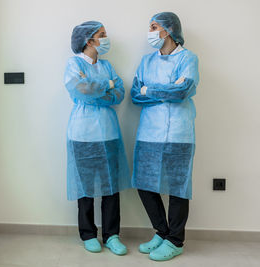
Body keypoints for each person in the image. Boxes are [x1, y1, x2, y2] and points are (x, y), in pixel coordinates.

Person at [130, 12, 199, 261]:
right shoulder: (146, 61)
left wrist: (152, 89)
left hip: (179, 132)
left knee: (178, 187)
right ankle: (162, 232)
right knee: (144, 183)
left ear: (168, 30)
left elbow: (183, 90)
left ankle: (176, 240)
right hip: (149, 131)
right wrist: (163, 90)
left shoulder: (188, 58)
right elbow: (136, 95)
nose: (149, 32)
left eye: (153, 26)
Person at [64, 21, 131, 255]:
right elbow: (79, 89)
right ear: (89, 41)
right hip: (82, 134)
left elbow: (119, 93)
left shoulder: (107, 66)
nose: (106, 38)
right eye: (101, 35)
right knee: (85, 188)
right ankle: (88, 234)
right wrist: (106, 87)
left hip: (108, 133)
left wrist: (96, 89)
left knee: (111, 188)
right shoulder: (73, 64)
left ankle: (112, 235)